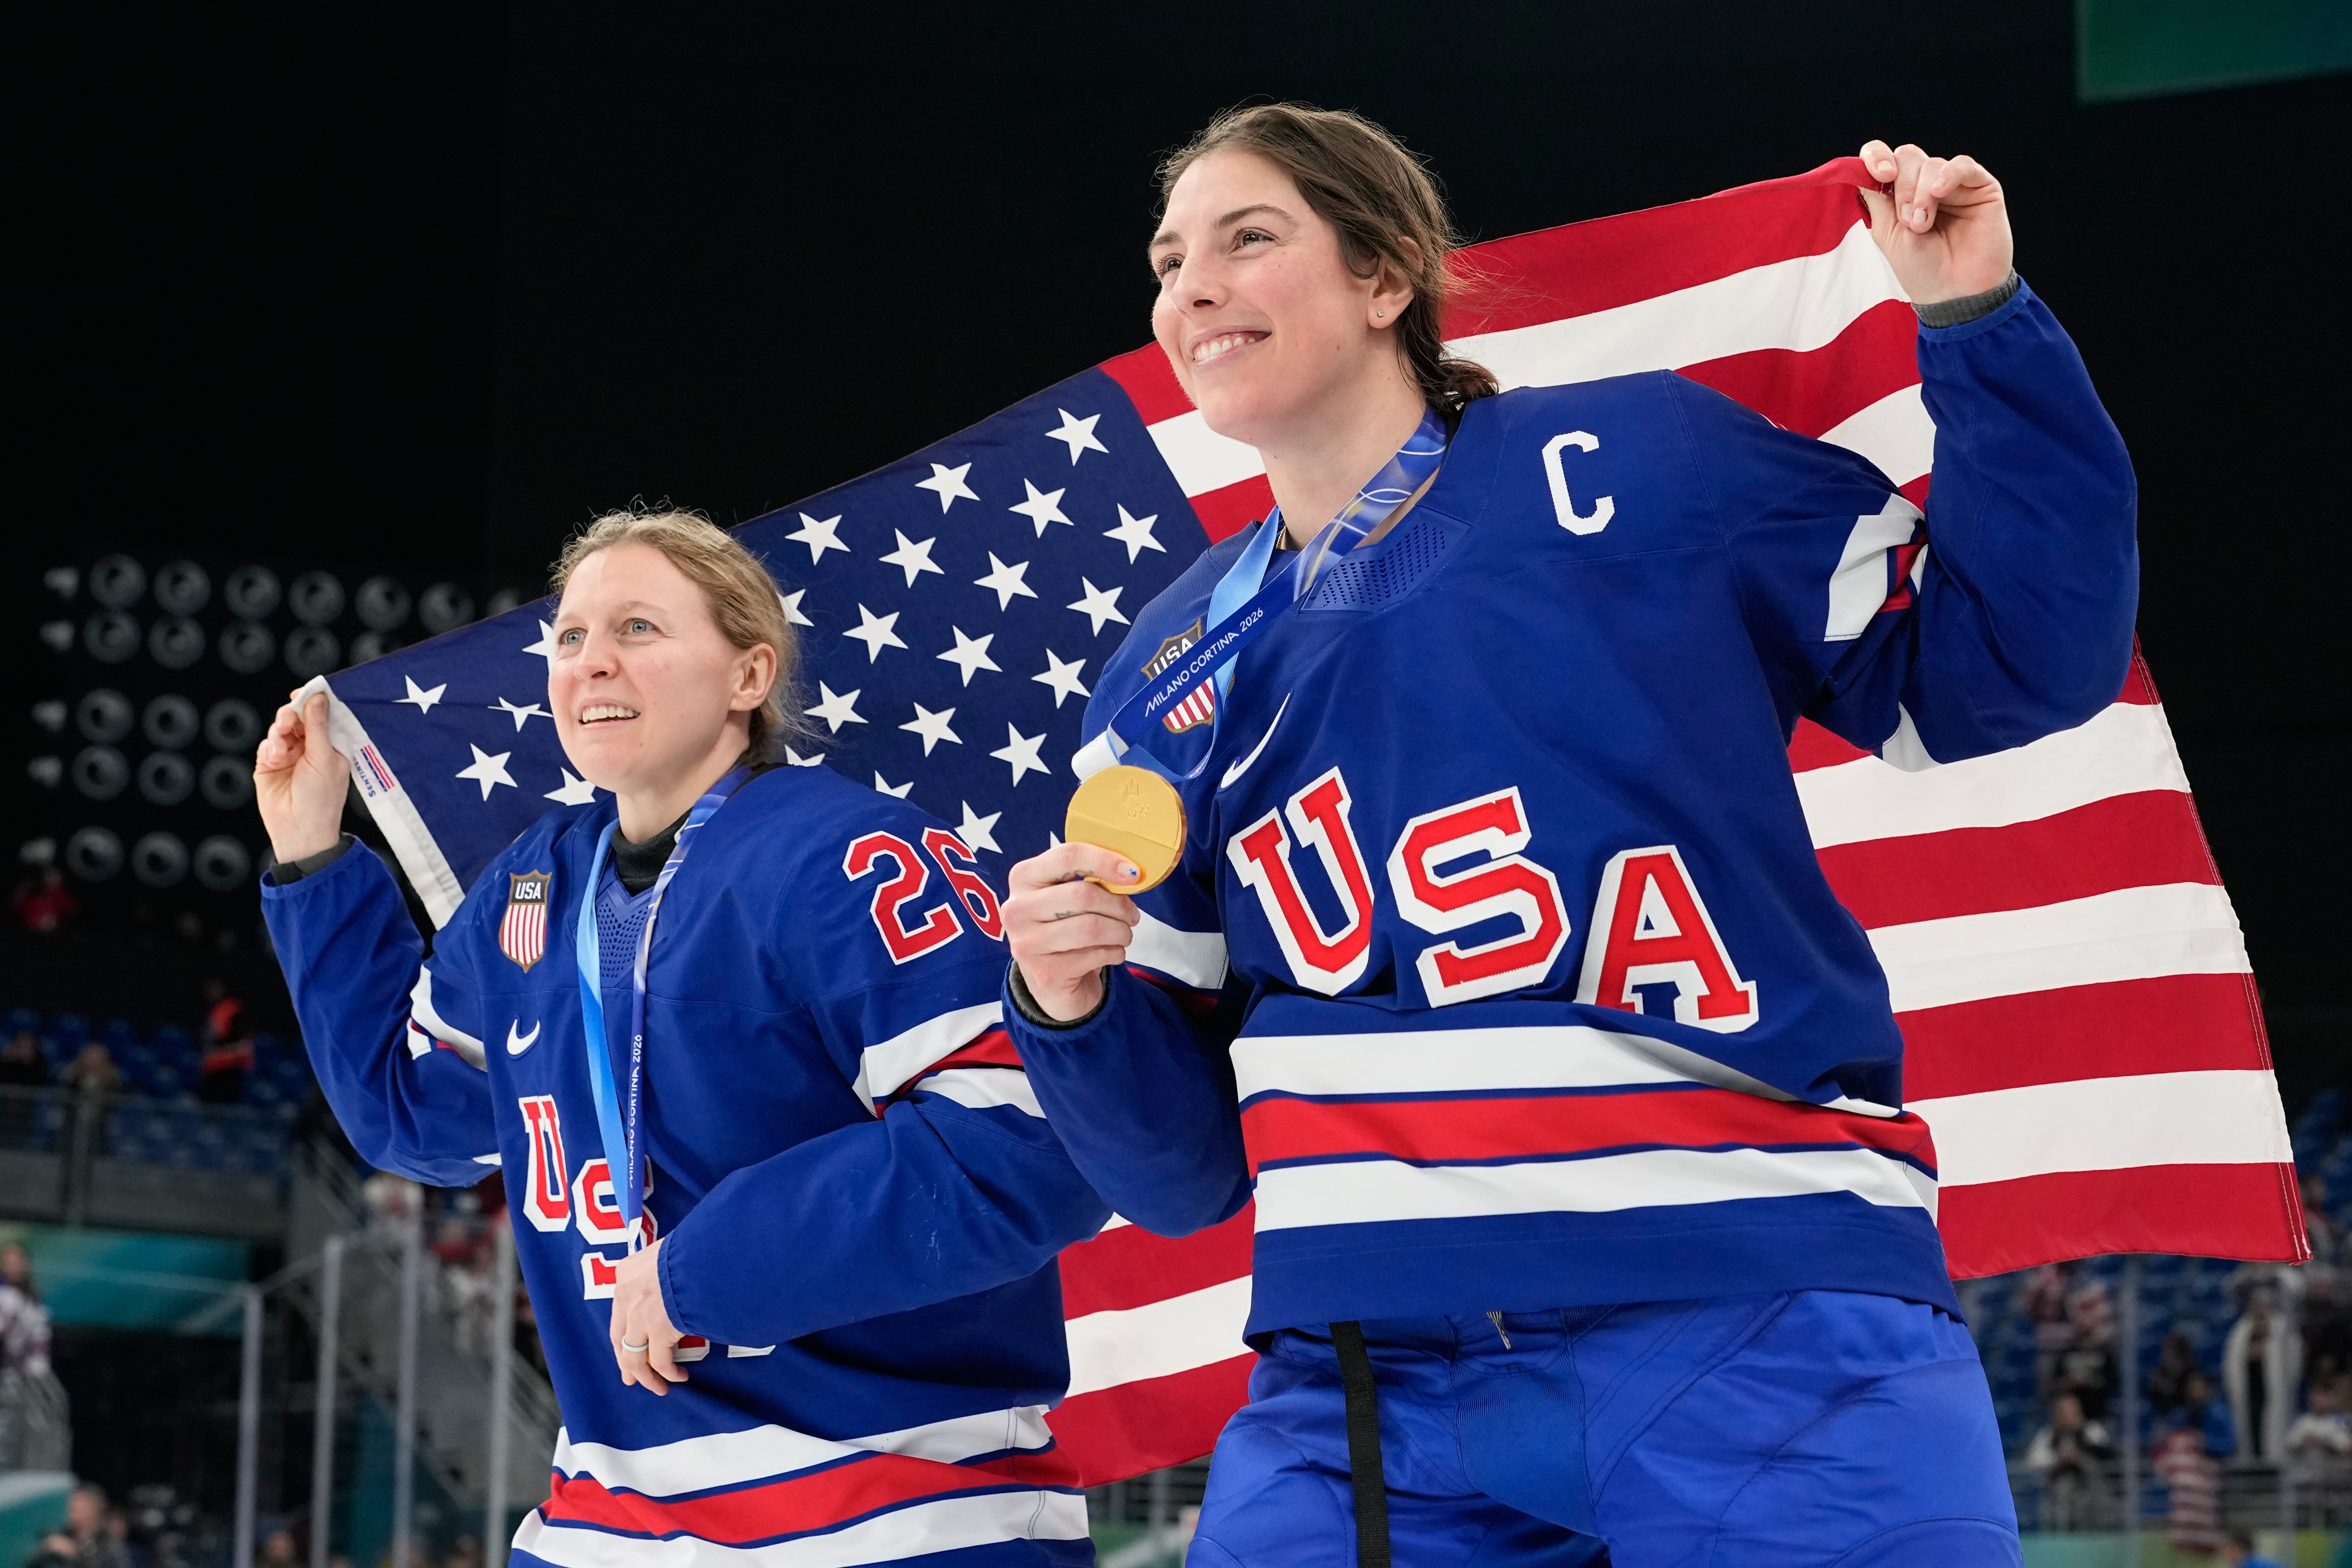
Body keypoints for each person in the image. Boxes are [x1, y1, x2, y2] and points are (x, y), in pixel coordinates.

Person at [1001, 104, 2138, 1567]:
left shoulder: (1644, 461)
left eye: (1246, 237)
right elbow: (1175, 1178)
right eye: (1167, 260)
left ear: (1383, 274)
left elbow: (2009, 663)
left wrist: (1975, 318)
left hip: (1753, 1307)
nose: (1190, 287)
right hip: (1360, 1388)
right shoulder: (1158, 678)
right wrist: (1065, 1002)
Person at [255, 510, 1109, 1564]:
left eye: (640, 627)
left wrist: (707, 1269)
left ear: (749, 675)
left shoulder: (850, 856)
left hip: (896, 1511)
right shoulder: (534, 886)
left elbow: (1032, 1144)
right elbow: (412, 1116)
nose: (591, 660)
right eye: (568, 636)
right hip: (608, 1521)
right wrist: (311, 861)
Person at [2023, 1392, 2113, 1531]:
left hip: (2090, 1486)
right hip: (2058, 1489)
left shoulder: (2092, 1431)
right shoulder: (2048, 1435)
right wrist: (2058, 1458)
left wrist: (2081, 1455)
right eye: (2064, 1413)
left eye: (2072, 1413)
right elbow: (2034, 1461)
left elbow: (2106, 1455)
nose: (2068, 1418)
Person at [26, 1484, 128, 1568]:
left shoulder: (109, 1546)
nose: (72, 1512)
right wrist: (45, 1548)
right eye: (71, 1507)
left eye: (79, 1508)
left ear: (94, 1511)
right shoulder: (59, 1534)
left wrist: (74, 1556)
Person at [195, 978, 254, 1104]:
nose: (212, 993)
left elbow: (233, 1037)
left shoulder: (232, 1009)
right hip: (215, 1068)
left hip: (230, 1066)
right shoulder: (215, 1011)